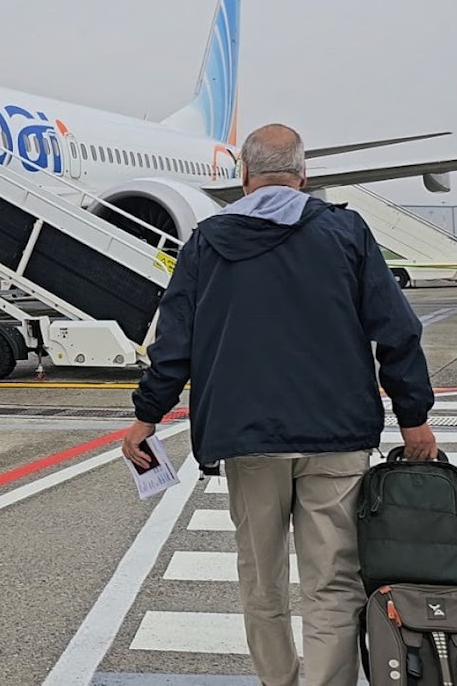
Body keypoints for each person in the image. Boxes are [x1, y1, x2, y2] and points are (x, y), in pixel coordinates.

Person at [122, 123, 437, 686]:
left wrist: (146, 417)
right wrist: (414, 420)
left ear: (243, 177)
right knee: (333, 584)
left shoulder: (207, 242)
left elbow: (174, 344)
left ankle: (279, 682)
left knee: (261, 581)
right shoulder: (346, 233)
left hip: (248, 439)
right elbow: (397, 330)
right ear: (303, 174)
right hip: (337, 438)